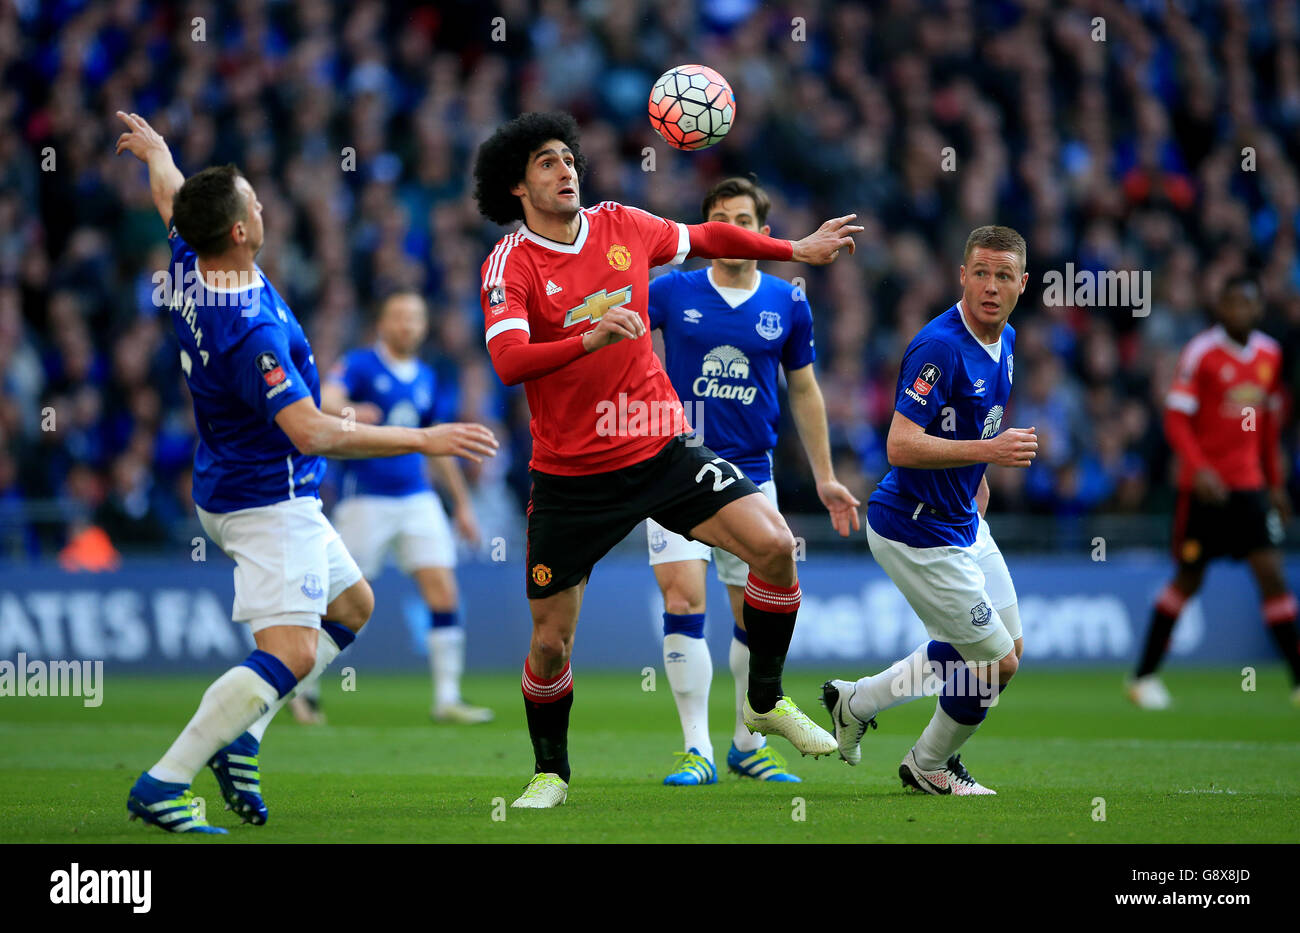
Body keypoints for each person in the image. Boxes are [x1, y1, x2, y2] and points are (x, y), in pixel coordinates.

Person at [113, 111, 497, 833]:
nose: (264, 207)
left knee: (353, 606)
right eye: (253, 202)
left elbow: (171, 198)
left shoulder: (193, 259)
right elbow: (313, 429)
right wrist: (422, 437)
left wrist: (160, 154)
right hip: (265, 498)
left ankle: (245, 736)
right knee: (288, 650)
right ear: (237, 232)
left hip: (242, 482)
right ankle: (165, 780)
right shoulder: (248, 330)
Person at [473, 111, 861, 808]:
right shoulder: (510, 263)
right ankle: (550, 772)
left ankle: (765, 701)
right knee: (551, 644)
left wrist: (794, 248)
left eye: (569, 157)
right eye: (546, 164)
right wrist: (588, 339)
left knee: (775, 546)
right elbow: (507, 361)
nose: (566, 171)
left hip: (660, 444)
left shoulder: (622, 223)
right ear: (516, 188)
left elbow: (709, 235)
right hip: (571, 477)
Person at [645, 177, 860, 786]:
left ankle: (745, 742)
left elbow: (805, 388)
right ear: (710, 230)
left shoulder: (787, 301)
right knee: (683, 600)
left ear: (763, 235)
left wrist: (825, 477)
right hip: (676, 468)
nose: (733, 230)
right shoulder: (671, 291)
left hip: (751, 477)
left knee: (752, 617)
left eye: (744, 220)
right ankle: (697, 749)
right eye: (721, 220)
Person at [822, 225, 1037, 796]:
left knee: (1007, 650)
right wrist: (989, 453)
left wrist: (978, 474)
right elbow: (900, 444)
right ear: (962, 275)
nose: (991, 286)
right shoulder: (939, 347)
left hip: (962, 517)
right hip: (914, 527)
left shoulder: (1007, 340)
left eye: (1004, 276)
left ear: (1022, 284)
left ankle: (858, 701)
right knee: (996, 664)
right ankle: (927, 764)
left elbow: (971, 421)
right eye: (981, 273)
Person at [318, 290, 493, 725]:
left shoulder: (428, 377)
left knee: (443, 590)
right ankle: (301, 686)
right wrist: (351, 411)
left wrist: (463, 507)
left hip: (418, 498)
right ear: (382, 323)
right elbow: (324, 402)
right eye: (399, 317)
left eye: (415, 317)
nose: (408, 325)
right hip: (366, 501)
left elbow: (436, 444)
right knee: (341, 601)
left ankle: (447, 698)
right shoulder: (359, 364)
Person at [1130, 274, 1300, 708]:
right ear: (1219, 308)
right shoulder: (1201, 353)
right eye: (1230, 303)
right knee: (1188, 578)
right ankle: (1143, 677)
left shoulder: (1269, 354)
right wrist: (1200, 468)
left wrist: (1275, 484)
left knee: (1271, 574)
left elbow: (1264, 427)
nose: (1237, 311)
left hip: (1249, 488)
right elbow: (1176, 418)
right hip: (1204, 492)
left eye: (1245, 303)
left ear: (1258, 308)